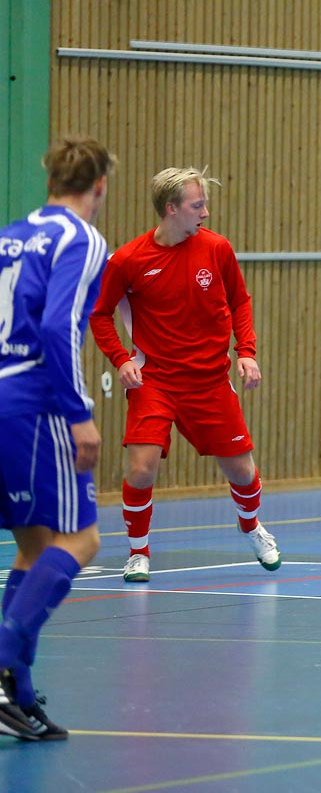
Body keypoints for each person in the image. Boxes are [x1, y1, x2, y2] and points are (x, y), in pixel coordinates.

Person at [89, 167, 280, 584]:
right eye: (198, 205)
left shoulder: (217, 249)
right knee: (141, 469)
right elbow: (100, 314)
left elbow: (240, 302)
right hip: (154, 380)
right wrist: (121, 359)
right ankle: (138, 552)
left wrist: (245, 352)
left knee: (243, 473)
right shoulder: (129, 261)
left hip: (210, 382)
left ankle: (250, 526)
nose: (206, 213)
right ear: (171, 209)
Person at [0, 136, 116, 740]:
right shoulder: (82, 238)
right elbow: (57, 325)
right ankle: (1, 654)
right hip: (34, 404)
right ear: (100, 185)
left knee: (33, 543)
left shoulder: (10, 235)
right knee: (83, 537)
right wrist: (78, 412)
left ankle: (15, 691)